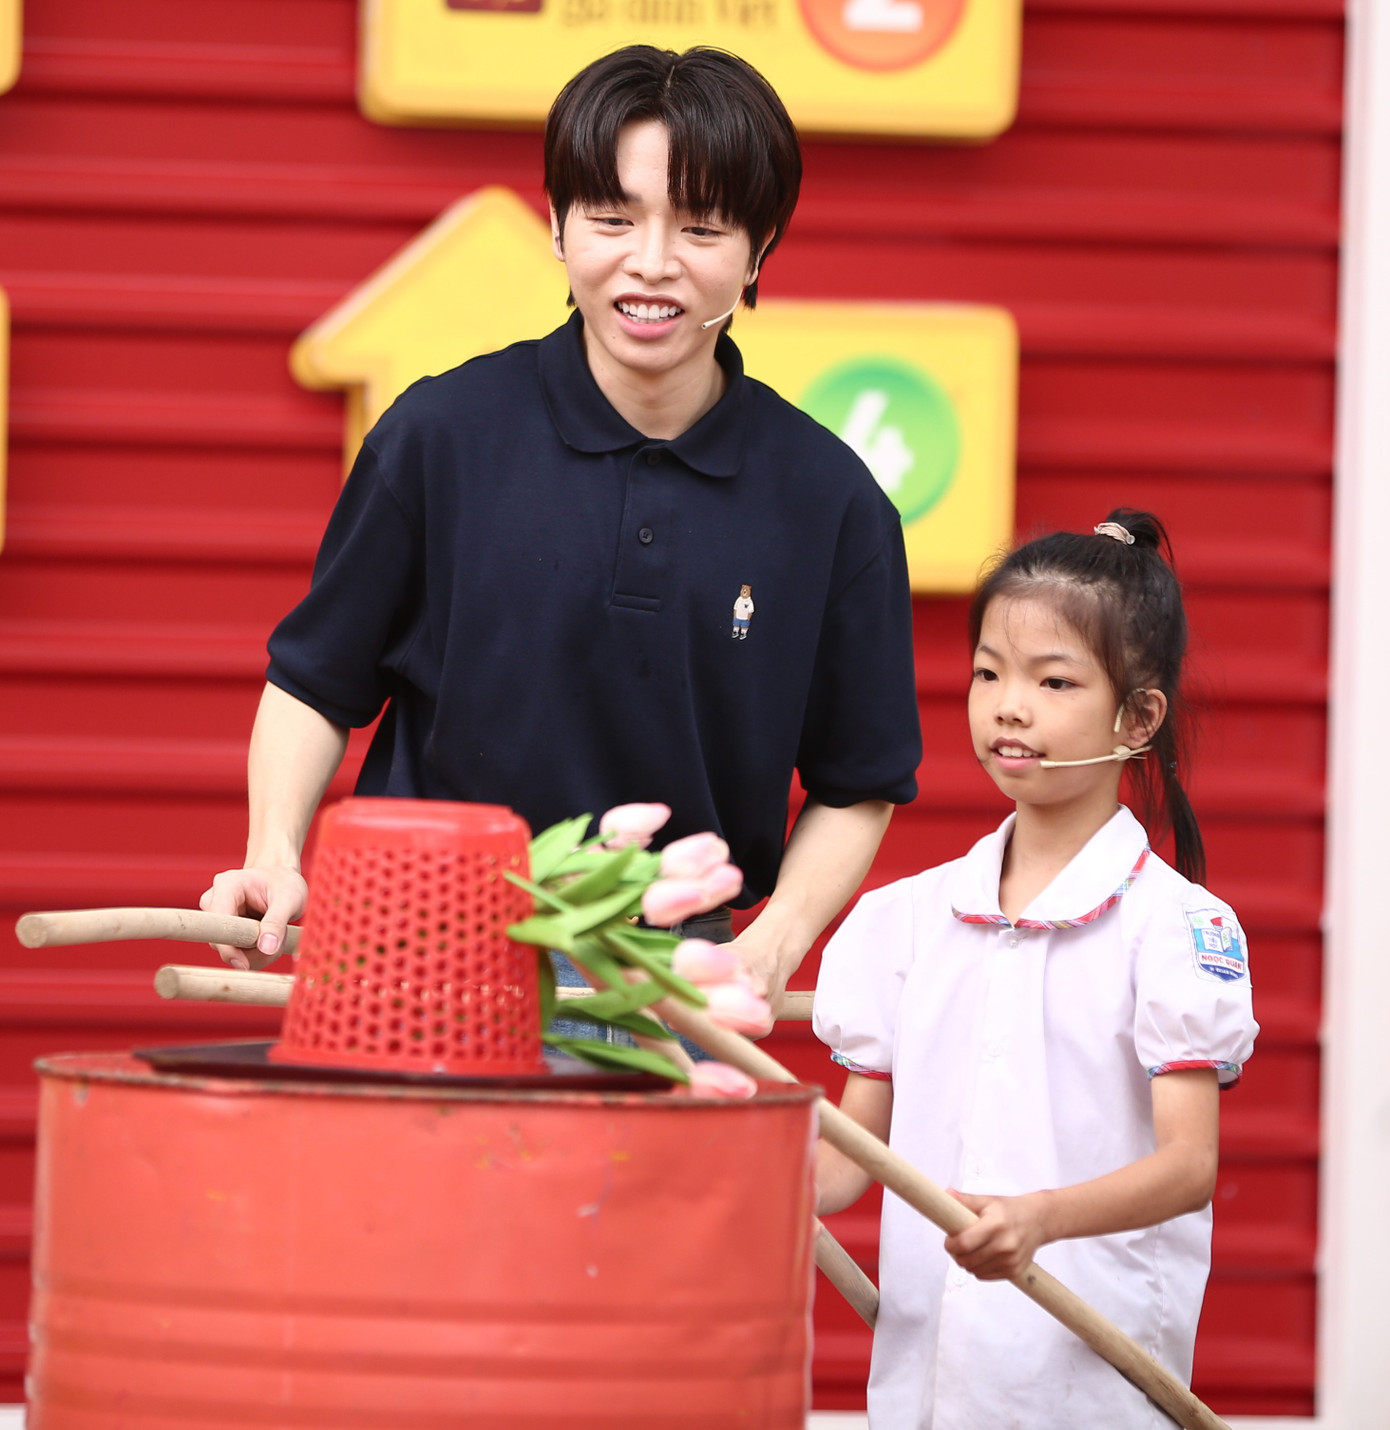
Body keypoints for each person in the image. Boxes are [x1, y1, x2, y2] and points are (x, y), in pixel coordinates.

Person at [200, 45, 921, 1014]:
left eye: (701, 227)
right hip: (417, 952)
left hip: (664, 984)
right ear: (557, 221)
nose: (651, 262)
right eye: (613, 218)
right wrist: (272, 854)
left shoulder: (832, 502)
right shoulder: (440, 436)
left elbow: (859, 777)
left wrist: (772, 941)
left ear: (759, 250)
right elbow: (314, 683)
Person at [813, 510, 1258, 1428]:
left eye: (1053, 681)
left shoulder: (1177, 927)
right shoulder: (903, 920)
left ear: (1139, 717)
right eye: (988, 673)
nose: (1008, 706)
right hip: (924, 1390)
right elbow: (849, 1159)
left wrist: (1040, 1219)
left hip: (1090, 1387)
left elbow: (1190, 1165)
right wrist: (744, 1178)